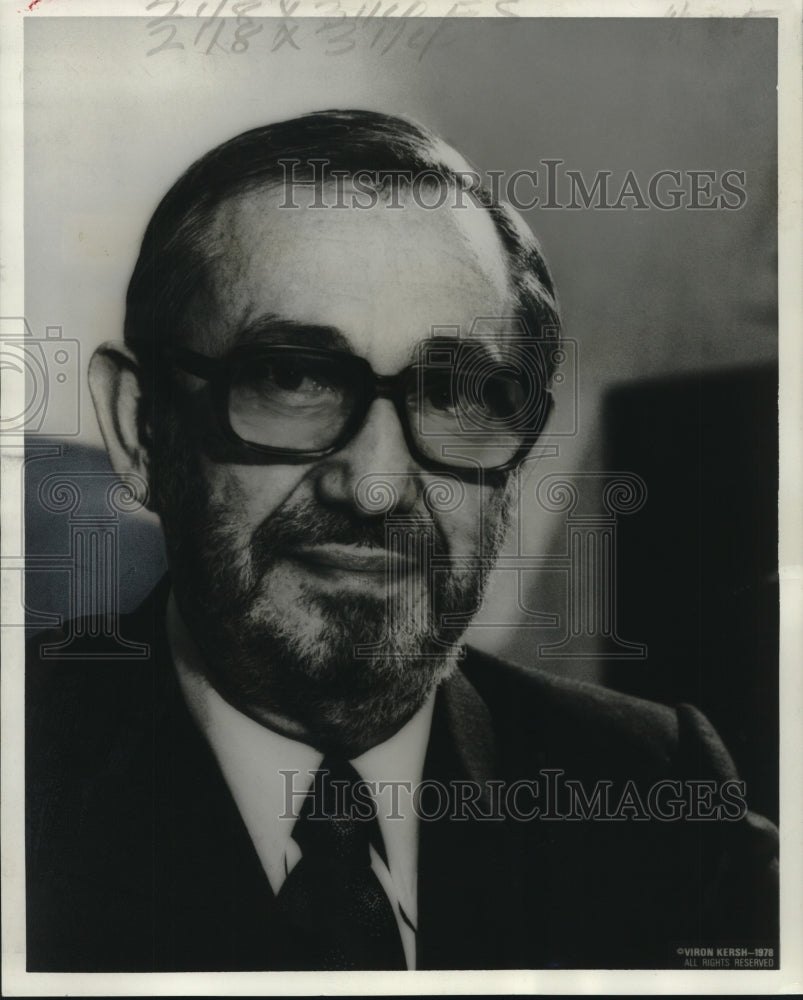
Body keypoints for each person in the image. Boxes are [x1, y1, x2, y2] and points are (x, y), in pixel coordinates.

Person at [25, 109, 778, 972]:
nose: (375, 484)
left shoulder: (661, 793)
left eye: (452, 393)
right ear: (140, 428)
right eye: (289, 377)